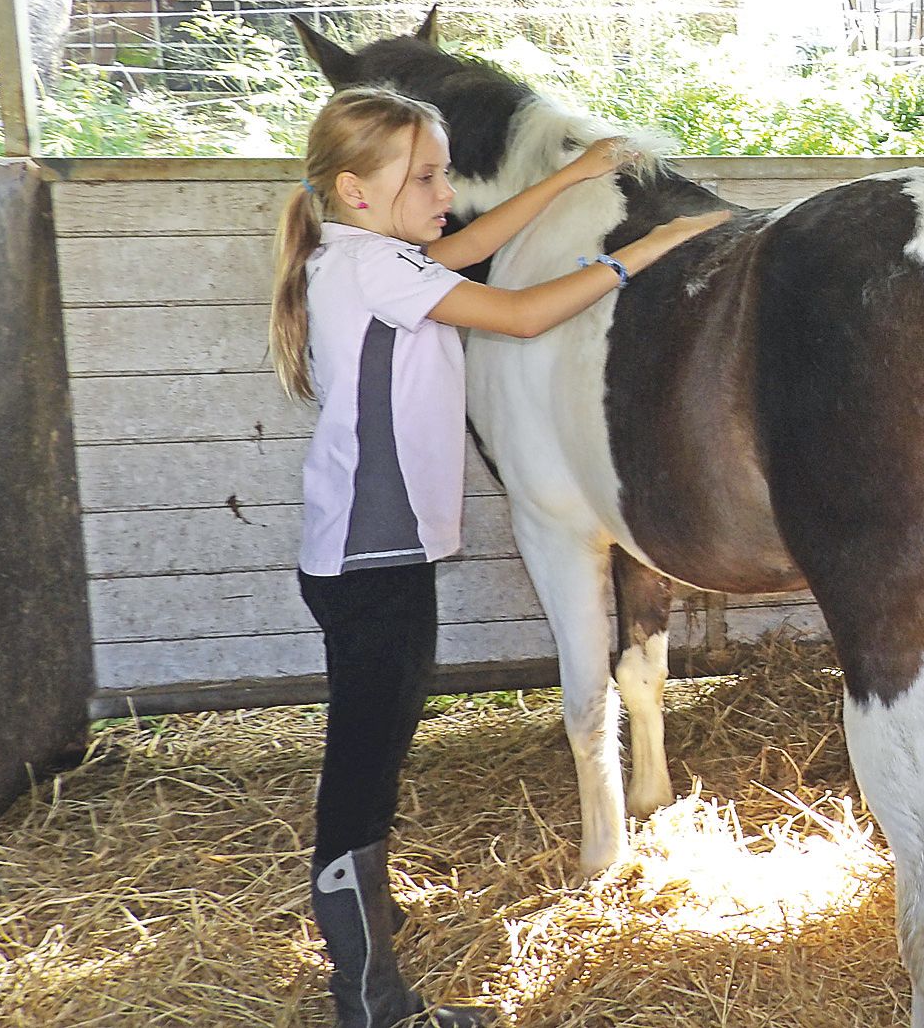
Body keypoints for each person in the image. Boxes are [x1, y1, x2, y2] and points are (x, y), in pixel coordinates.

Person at [269, 85, 726, 1028]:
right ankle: (372, 998)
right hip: (373, 559)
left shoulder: (363, 254)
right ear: (359, 190)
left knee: (374, 750)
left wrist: (575, 175)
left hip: (364, 553)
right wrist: (637, 253)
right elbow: (517, 313)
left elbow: (468, 249)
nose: (448, 189)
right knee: (364, 763)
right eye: (426, 175)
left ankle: (371, 924)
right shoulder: (375, 273)